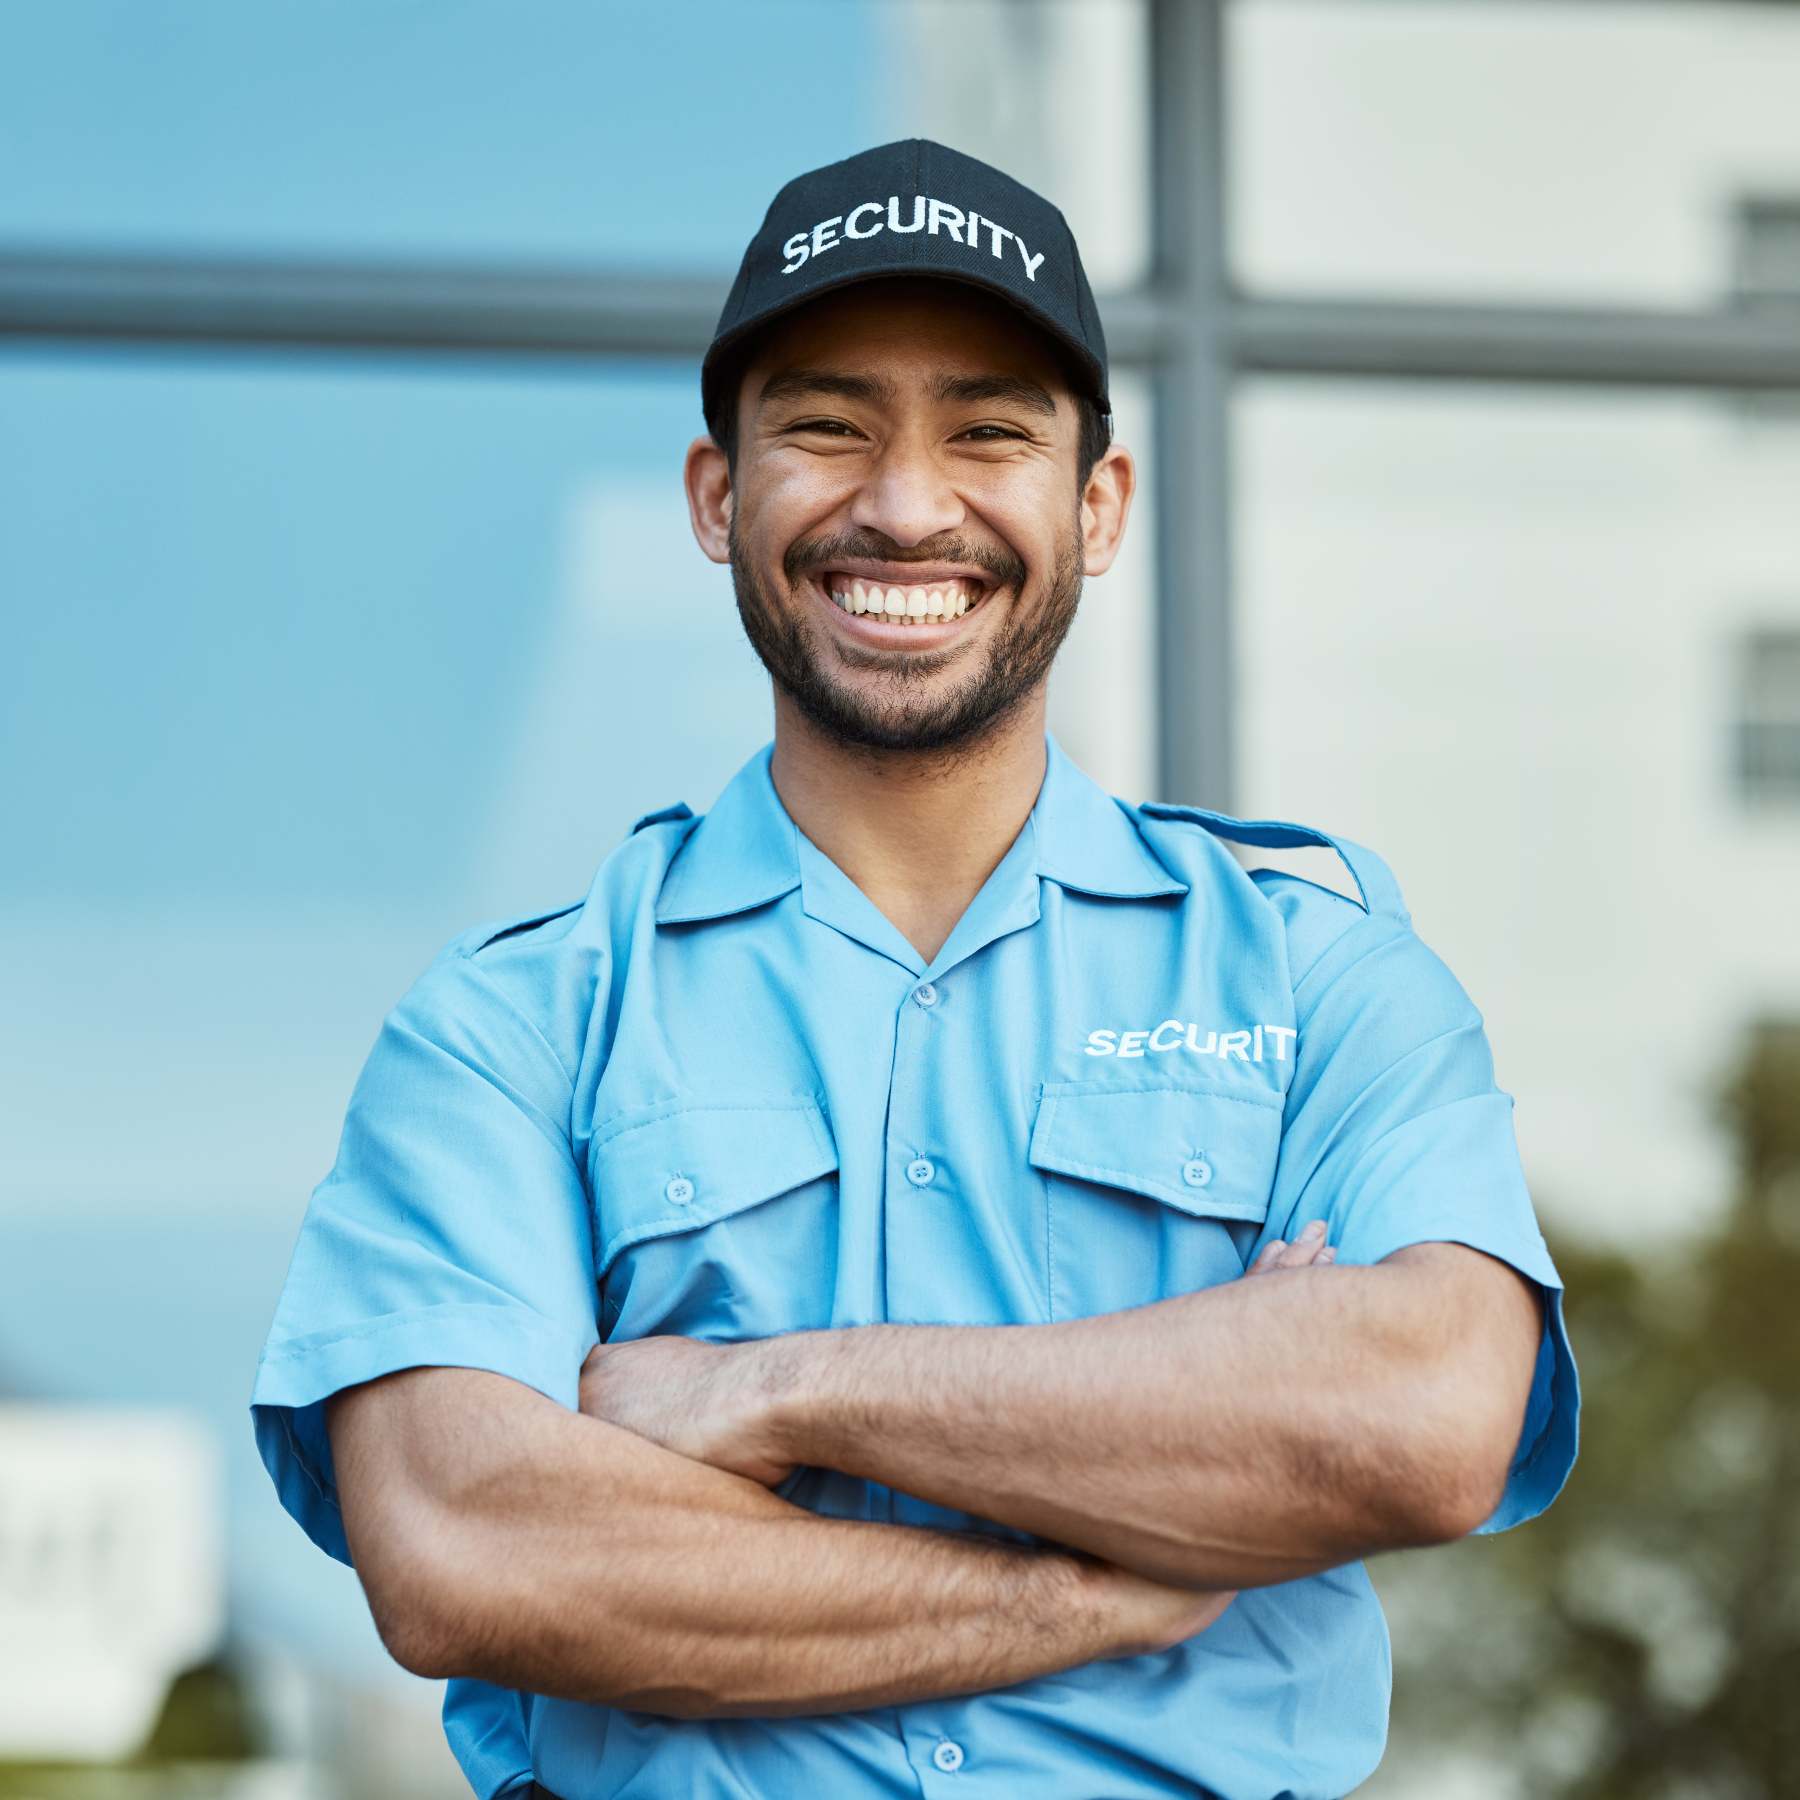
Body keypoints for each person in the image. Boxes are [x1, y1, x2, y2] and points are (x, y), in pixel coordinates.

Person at [250, 139, 1580, 1800]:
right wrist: (1104, 1585)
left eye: (989, 430)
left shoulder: (1319, 977)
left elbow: (1425, 1416)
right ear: (717, 495)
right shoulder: (511, 1029)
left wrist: (771, 1392)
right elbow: (472, 1544)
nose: (903, 501)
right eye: (824, 426)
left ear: (1096, 507)